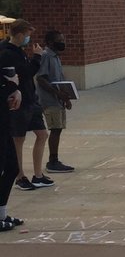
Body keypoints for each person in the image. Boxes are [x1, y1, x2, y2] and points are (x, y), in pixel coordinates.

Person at [0, 18, 52, 192]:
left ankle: (38, 175)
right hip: (18, 102)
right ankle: (20, 176)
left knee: (42, 134)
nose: (29, 39)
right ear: (20, 34)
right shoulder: (7, 52)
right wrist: (37, 57)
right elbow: (26, 73)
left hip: (31, 99)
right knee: (18, 139)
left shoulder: (19, 50)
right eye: (28, 35)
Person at [35, 28, 75, 173]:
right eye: (60, 41)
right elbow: (41, 78)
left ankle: (54, 159)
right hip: (49, 100)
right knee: (55, 129)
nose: (63, 43)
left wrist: (66, 97)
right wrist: (57, 94)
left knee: (58, 128)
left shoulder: (56, 57)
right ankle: (53, 161)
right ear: (51, 42)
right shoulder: (46, 56)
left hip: (58, 100)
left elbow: (59, 80)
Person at [0, 62, 23, 230]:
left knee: (12, 167)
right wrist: (12, 85)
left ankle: (1, 214)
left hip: (4, 123)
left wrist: (15, 91)